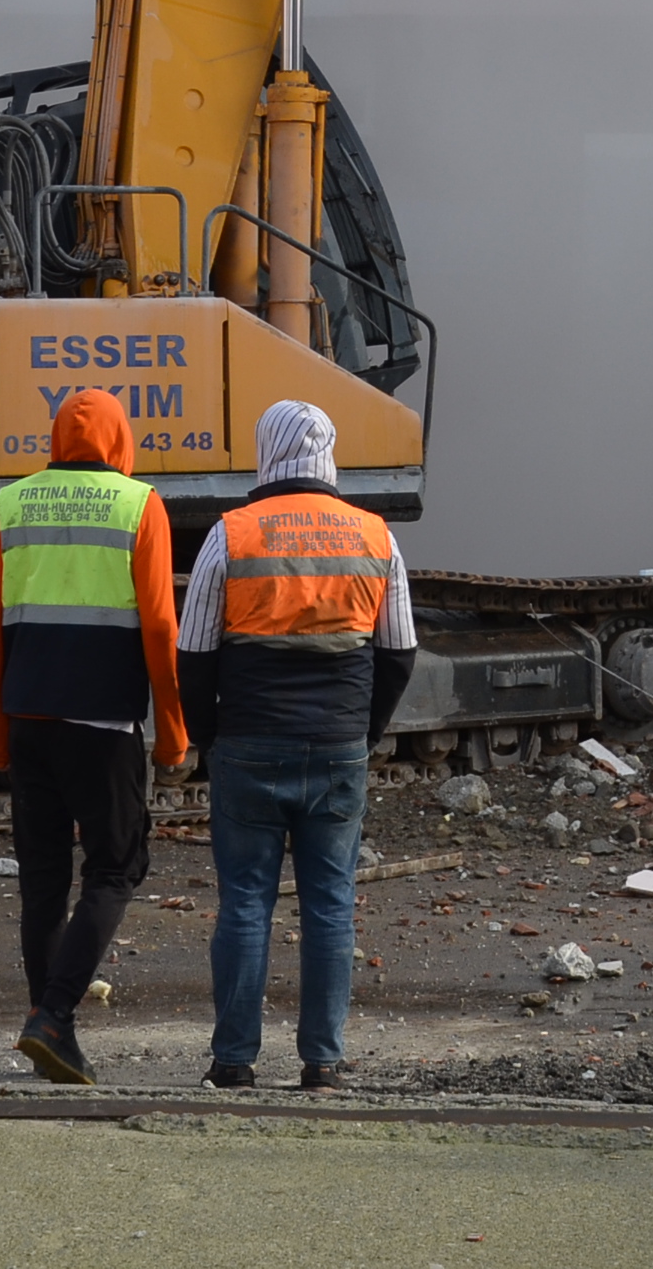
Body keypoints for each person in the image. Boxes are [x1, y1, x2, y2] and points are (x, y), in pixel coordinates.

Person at [176, 397, 416, 1090]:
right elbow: (399, 652)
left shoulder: (231, 533)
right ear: (329, 453)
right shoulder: (376, 537)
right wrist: (362, 732)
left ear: (267, 450)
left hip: (249, 743)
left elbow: (194, 652)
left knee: (246, 900)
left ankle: (233, 1061)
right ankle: (324, 1063)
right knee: (331, 902)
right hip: (337, 744)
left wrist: (208, 738)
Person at [0, 386, 184, 1085]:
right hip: (102, 726)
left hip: (30, 721)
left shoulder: (14, 504)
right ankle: (53, 1018)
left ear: (57, 438)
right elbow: (158, 625)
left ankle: (48, 1030)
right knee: (116, 868)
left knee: (43, 883)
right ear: (121, 440)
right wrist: (172, 732)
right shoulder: (138, 505)